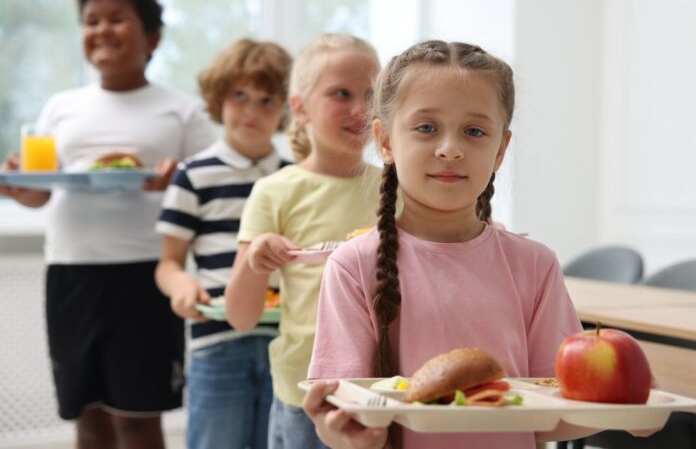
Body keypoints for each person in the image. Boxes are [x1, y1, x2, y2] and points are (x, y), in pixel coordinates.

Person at [302, 40, 594, 449]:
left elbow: (552, 416)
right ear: (385, 141)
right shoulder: (353, 265)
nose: (450, 149)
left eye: (474, 131)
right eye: (426, 128)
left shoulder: (535, 265)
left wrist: (622, 404)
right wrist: (344, 435)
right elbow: (345, 413)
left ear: (500, 150)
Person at [0, 0, 215, 449]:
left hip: (145, 277)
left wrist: (173, 179)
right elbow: (42, 192)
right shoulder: (60, 106)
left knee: (139, 417)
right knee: (87, 415)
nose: (101, 30)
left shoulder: (181, 110)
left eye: (116, 19)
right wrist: (18, 187)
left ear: (151, 38)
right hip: (70, 275)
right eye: (91, 20)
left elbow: (210, 189)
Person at [225, 33, 381, 449]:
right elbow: (240, 316)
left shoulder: (398, 190)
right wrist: (256, 264)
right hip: (305, 392)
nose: (360, 109)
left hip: (382, 389)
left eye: (371, 94)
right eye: (341, 93)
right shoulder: (274, 192)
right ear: (300, 108)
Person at [154, 37, 293, 449]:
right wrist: (182, 287)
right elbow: (168, 263)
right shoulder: (193, 175)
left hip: (285, 342)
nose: (252, 111)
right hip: (216, 340)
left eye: (268, 100)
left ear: (288, 108)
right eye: (240, 96)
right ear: (219, 98)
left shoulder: (295, 177)